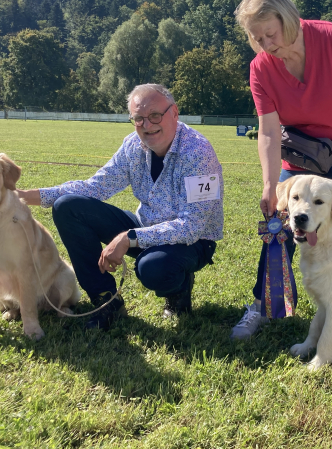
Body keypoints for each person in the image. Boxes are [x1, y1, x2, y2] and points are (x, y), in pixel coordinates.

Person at [230, 0, 332, 339]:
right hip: (301, 152)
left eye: (270, 33)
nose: (266, 44)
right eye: (256, 38)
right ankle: (265, 304)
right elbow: (269, 130)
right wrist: (270, 186)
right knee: (279, 226)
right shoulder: (260, 68)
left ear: (287, 18)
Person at [16, 84, 223, 330]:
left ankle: (178, 289)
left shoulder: (198, 153)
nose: (147, 125)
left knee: (153, 268)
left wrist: (129, 238)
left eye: (155, 115)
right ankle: (106, 301)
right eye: (138, 118)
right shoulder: (133, 145)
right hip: (146, 227)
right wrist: (24, 196)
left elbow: (192, 226)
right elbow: (95, 187)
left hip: (193, 242)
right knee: (68, 206)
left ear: (175, 112)